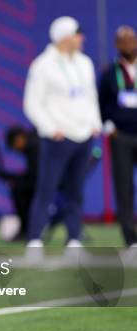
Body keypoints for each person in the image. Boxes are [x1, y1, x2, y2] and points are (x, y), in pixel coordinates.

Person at [23, 16, 102, 258]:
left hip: (83, 135)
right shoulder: (42, 65)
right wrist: (49, 127)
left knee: (76, 191)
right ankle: (34, 241)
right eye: (78, 34)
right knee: (46, 189)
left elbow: (90, 97)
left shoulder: (85, 63)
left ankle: (74, 241)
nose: (82, 38)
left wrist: (94, 124)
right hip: (57, 137)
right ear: (65, 37)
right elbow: (32, 103)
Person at [99, 26, 137, 248]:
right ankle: (130, 239)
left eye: (131, 40)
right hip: (121, 136)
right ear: (116, 45)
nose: (128, 45)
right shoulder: (110, 73)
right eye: (122, 41)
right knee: (124, 188)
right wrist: (107, 125)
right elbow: (100, 102)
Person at [0, 126, 39, 240]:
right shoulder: (32, 146)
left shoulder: (34, 147)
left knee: (19, 191)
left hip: (55, 183)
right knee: (19, 188)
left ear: (19, 138)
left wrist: (12, 178)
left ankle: (27, 230)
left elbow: (36, 176)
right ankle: (26, 229)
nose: (15, 149)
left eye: (13, 145)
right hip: (46, 181)